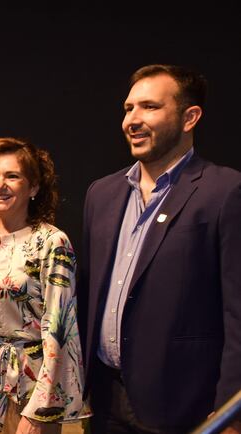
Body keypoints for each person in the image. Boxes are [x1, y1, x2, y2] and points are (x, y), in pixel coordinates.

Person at [82, 65, 241, 433]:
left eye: (149, 107)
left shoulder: (225, 192)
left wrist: (231, 413)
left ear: (190, 117)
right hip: (104, 399)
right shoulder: (101, 194)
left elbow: (238, 314)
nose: (132, 120)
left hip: (183, 406)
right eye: (128, 108)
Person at [0, 137, 88, 434]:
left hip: (26, 387)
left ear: (34, 187)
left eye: (12, 176)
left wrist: (41, 408)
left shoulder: (52, 242)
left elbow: (60, 329)